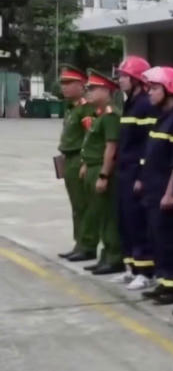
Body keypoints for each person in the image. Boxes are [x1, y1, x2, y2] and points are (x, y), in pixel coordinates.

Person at [136, 67, 173, 305]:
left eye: (156, 88)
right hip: (153, 189)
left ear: (170, 90)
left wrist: (171, 192)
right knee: (158, 238)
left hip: (166, 192)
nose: (150, 92)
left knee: (172, 240)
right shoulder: (162, 117)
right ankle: (165, 282)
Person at [114, 57, 158, 290]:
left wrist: (142, 175)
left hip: (135, 172)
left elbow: (146, 144)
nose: (120, 80)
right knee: (125, 221)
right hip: (124, 171)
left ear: (137, 79)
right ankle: (131, 267)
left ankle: (146, 271)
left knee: (139, 223)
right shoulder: (130, 103)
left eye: (124, 76)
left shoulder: (145, 104)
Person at [77, 70, 125, 275]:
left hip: (102, 170)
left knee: (107, 217)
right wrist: (86, 164)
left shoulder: (111, 115)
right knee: (98, 214)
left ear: (106, 91)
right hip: (93, 167)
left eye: (93, 88)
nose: (88, 92)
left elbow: (111, 147)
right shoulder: (100, 115)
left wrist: (104, 175)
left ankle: (114, 257)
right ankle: (105, 256)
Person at [57, 65, 97, 262]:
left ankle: (87, 245)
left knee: (84, 205)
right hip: (68, 159)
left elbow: (90, 137)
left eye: (68, 83)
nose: (64, 87)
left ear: (81, 86)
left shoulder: (85, 109)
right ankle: (79, 242)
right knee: (76, 205)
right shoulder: (71, 108)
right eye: (62, 83)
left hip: (79, 159)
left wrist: (84, 162)